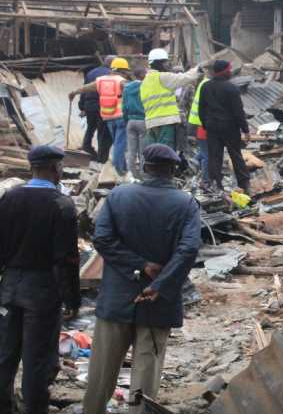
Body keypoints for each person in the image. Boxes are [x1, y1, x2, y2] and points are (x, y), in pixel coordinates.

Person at [83, 144, 201, 414]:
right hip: (157, 303)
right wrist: (159, 283)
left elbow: (101, 238)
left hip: (116, 299)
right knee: (146, 377)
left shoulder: (118, 196)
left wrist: (138, 265)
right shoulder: (186, 204)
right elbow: (189, 249)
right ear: (173, 171)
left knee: (101, 373)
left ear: (145, 168)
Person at [0, 145, 80, 414]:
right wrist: (71, 298)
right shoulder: (62, 205)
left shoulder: (9, 198)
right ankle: (34, 408)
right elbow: (67, 259)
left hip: (9, 286)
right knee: (38, 356)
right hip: (43, 289)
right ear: (56, 169)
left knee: (5, 351)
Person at [70, 58, 132, 175]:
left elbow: (86, 88)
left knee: (117, 142)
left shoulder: (101, 81)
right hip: (120, 117)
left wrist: (74, 92)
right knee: (119, 144)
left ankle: (121, 167)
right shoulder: (122, 82)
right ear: (123, 70)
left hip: (108, 117)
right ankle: (119, 170)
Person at [198, 60, 250, 193]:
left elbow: (201, 110)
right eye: (229, 69)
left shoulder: (205, 87)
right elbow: (238, 111)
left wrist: (206, 125)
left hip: (212, 127)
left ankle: (216, 185)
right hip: (230, 127)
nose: (230, 71)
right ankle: (244, 184)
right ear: (225, 71)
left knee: (214, 156)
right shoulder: (231, 88)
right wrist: (245, 130)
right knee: (236, 155)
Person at [140, 49, 204, 150]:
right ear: (158, 63)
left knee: (155, 152)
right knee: (166, 152)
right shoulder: (163, 77)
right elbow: (184, 78)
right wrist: (198, 69)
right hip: (165, 121)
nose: (168, 65)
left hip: (151, 123)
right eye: (165, 62)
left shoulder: (145, 81)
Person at [79, 56, 114, 163]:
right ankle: (101, 158)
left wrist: (82, 106)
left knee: (90, 128)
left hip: (89, 105)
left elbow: (84, 89)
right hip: (102, 105)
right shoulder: (110, 74)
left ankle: (86, 148)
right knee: (103, 132)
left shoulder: (91, 72)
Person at [124, 67, 148, 179]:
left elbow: (124, 106)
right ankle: (143, 175)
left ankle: (132, 175)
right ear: (143, 74)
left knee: (131, 151)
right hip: (143, 120)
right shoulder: (145, 86)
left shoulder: (127, 87)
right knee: (143, 151)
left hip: (130, 121)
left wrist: (126, 120)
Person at [188, 77, 210, 186]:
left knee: (204, 151)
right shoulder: (208, 84)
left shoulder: (203, 83)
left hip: (198, 125)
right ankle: (205, 181)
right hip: (204, 127)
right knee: (207, 155)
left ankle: (192, 162)